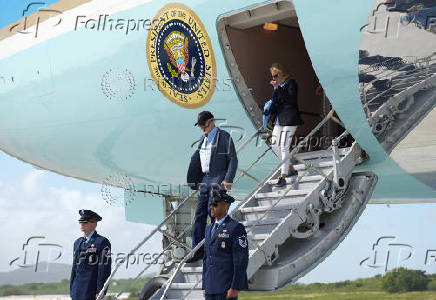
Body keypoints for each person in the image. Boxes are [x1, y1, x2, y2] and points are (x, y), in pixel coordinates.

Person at [186, 111, 238, 262]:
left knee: (214, 214)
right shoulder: (203, 138)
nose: (202, 128)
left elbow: (233, 159)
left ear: (212, 121)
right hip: (205, 179)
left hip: (218, 177)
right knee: (199, 215)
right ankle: (198, 250)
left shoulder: (224, 137)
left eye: (204, 125)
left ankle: (217, 250)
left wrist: (228, 179)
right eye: (200, 126)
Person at [202, 190, 249, 300]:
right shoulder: (208, 229)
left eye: (215, 204)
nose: (212, 207)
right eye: (210, 204)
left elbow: (241, 259)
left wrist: (235, 287)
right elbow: (207, 258)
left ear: (226, 205)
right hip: (210, 287)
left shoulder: (235, 227)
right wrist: (204, 285)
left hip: (226, 287)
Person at [266, 63, 303, 187]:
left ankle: (283, 176)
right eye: (272, 77)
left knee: (283, 145)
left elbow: (291, 100)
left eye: (275, 76)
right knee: (274, 145)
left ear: (281, 73)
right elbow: (277, 102)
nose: (274, 78)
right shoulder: (279, 86)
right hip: (280, 119)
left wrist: (278, 88)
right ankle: (291, 168)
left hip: (291, 118)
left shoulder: (291, 82)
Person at [70, 210, 111, 300]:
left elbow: (104, 269)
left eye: (85, 222)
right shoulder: (77, 242)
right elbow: (74, 268)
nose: (82, 224)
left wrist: (101, 290)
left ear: (94, 224)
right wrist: (72, 289)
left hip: (91, 290)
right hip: (76, 290)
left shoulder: (102, 242)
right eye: (81, 222)